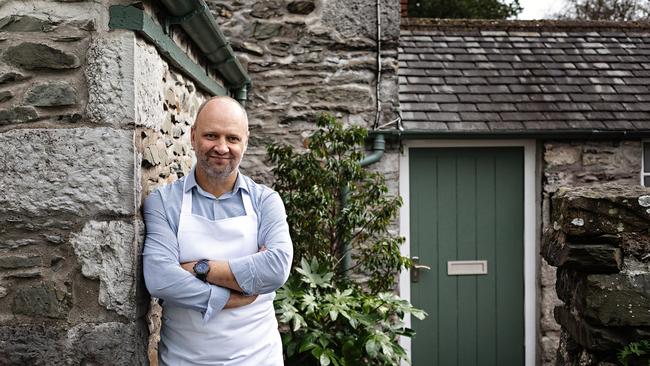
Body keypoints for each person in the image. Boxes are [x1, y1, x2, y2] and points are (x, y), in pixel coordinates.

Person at [142, 96, 293, 365]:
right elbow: (160, 278)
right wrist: (225, 297)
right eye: (211, 135)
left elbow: (276, 267)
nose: (221, 147)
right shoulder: (164, 202)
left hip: (258, 359)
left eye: (232, 138)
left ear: (245, 142)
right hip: (185, 360)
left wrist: (199, 268)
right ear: (193, 136)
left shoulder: (265, 201)